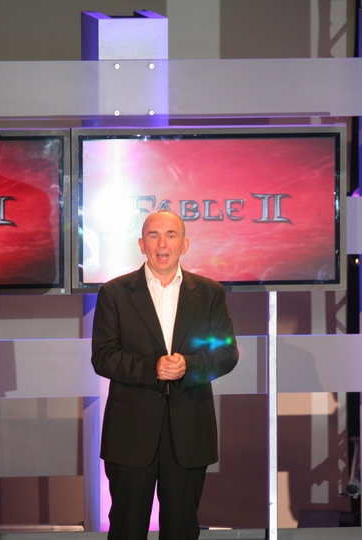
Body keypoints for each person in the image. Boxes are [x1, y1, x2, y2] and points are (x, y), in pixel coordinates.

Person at [91, 209, 239, 540]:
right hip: (130, 436)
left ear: (184, 244)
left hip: (189, 435)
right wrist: (152, 368)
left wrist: (189, 365)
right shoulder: (114, 293)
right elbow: (103, 357)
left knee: (182, 530)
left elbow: (226, 354)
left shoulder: (210, 293)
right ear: (141, 244)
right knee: (127, 530)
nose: (162, 244)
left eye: (171, 235)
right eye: (154, 236)